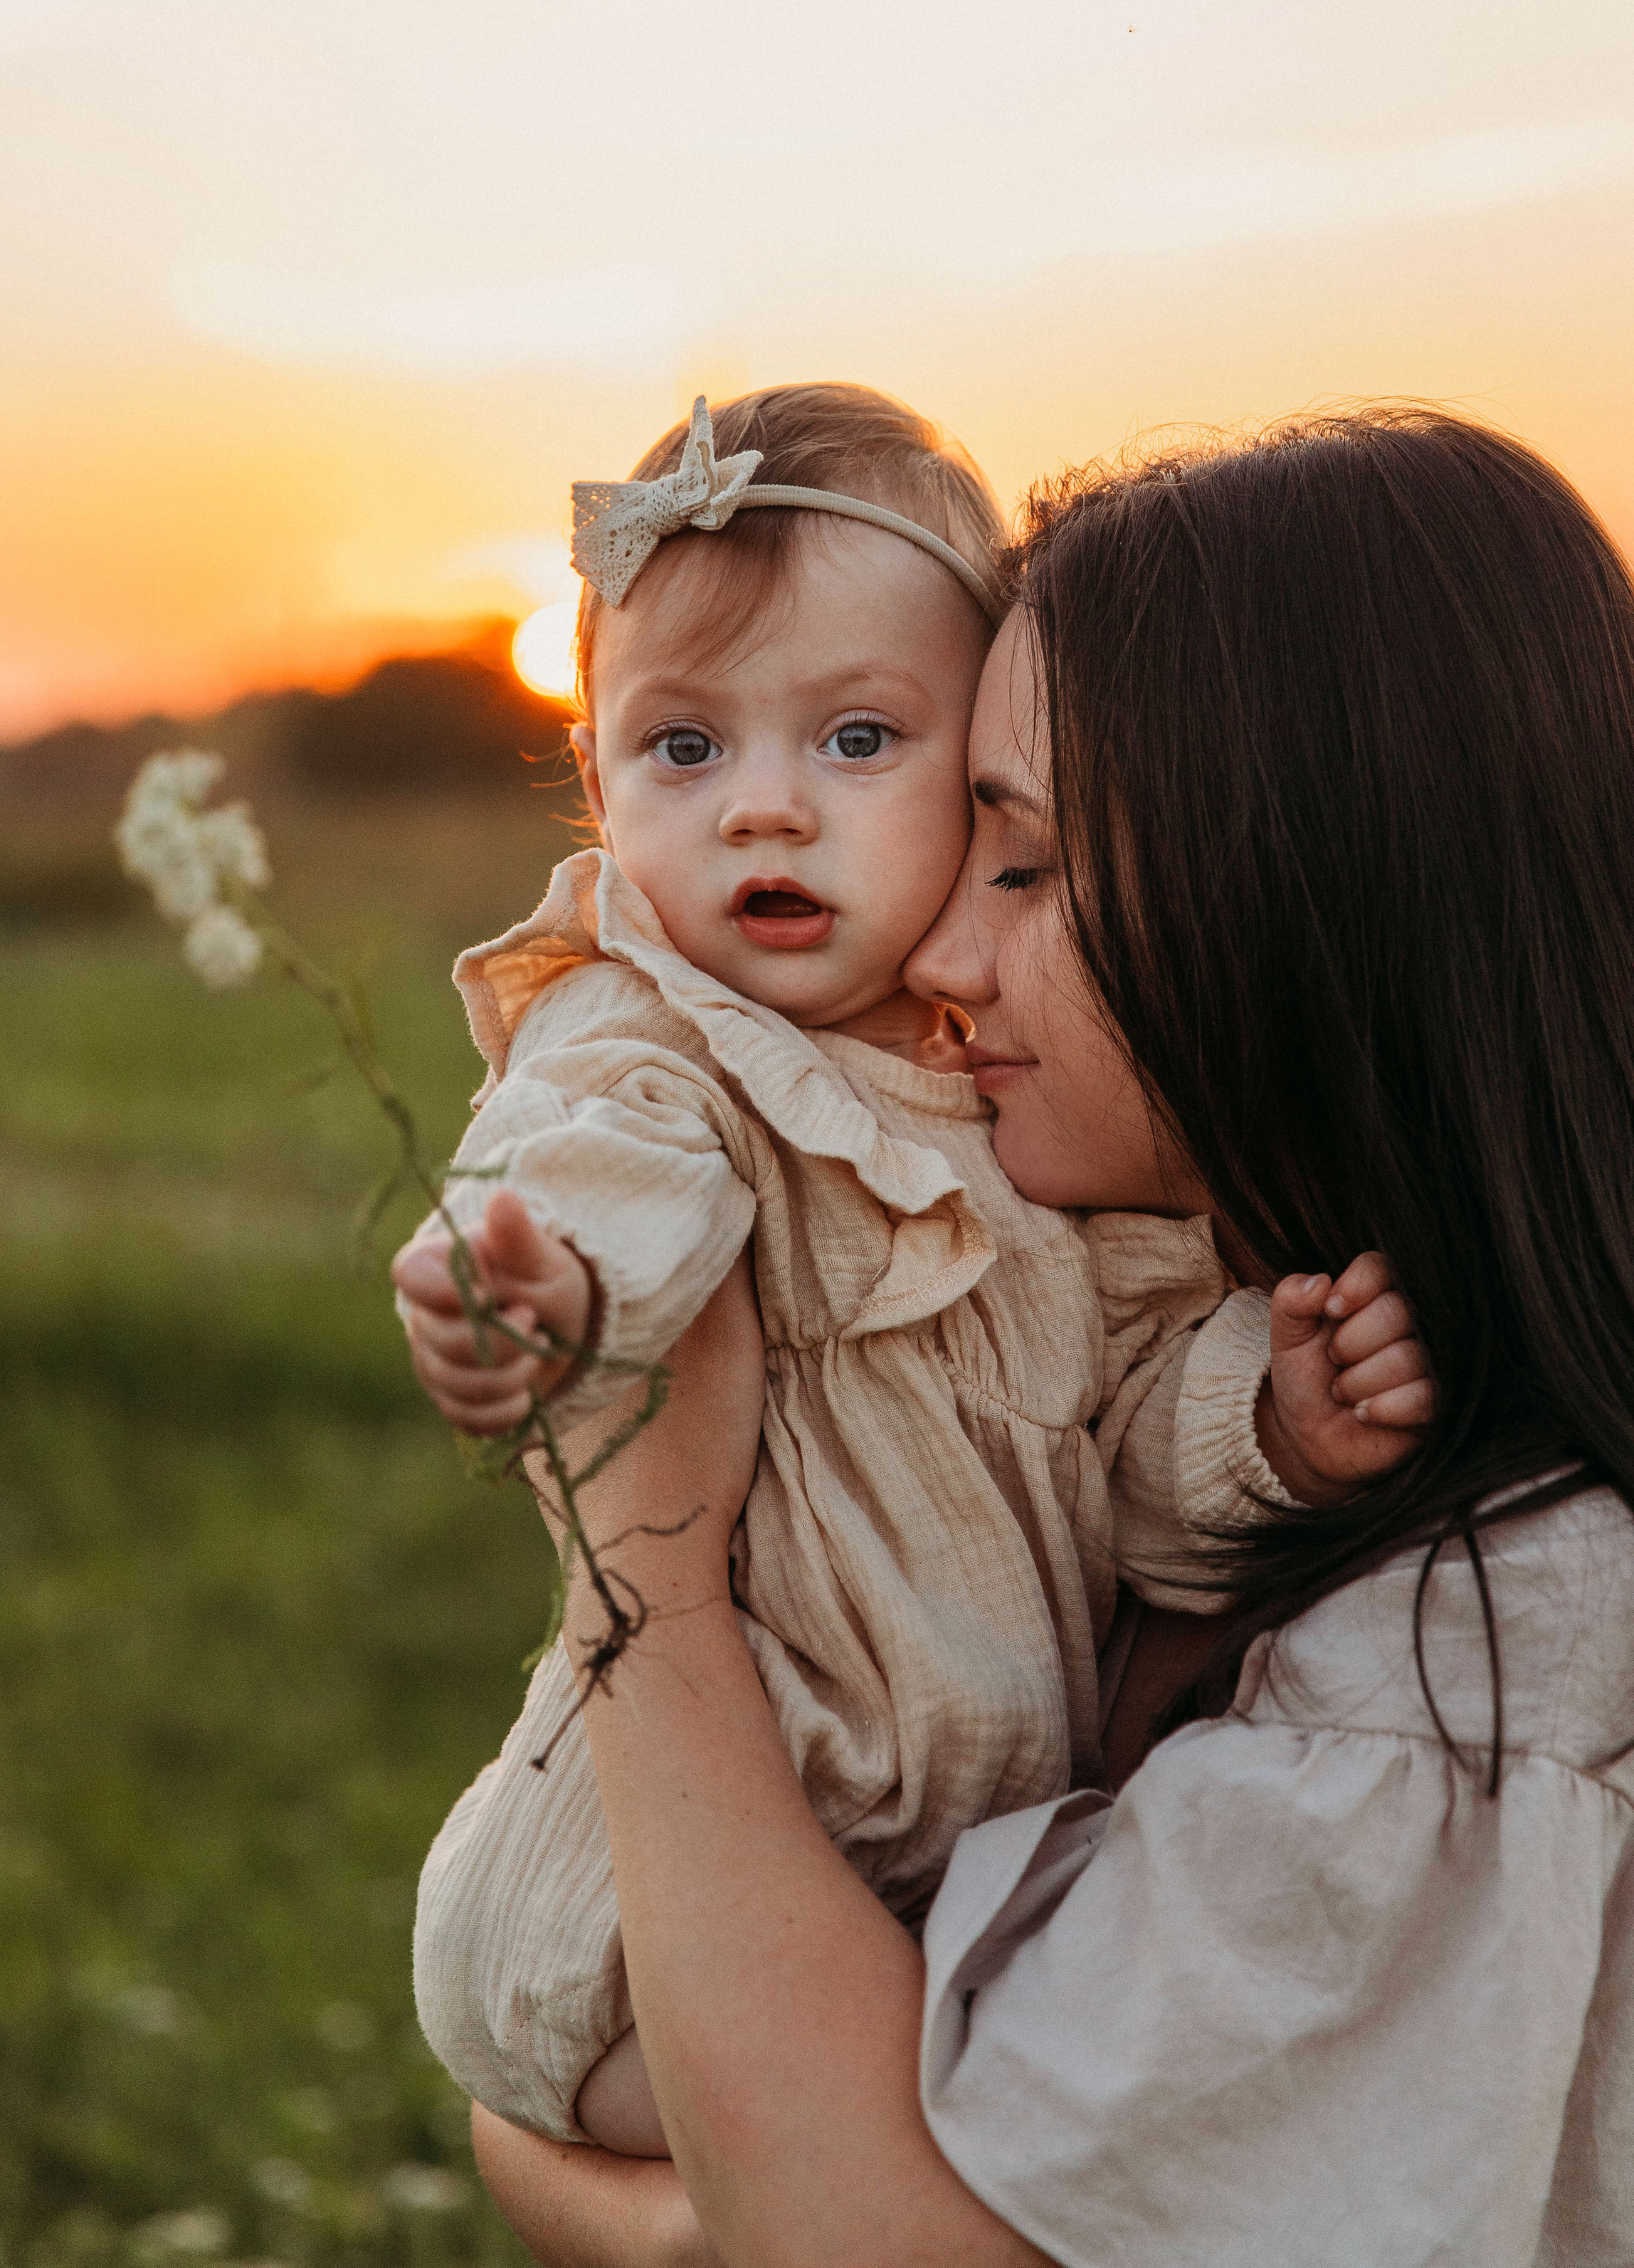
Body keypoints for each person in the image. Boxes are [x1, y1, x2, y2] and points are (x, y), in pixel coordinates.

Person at [460, 406, 1634, 2268]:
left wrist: (652, 1566)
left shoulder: (1515, 1673)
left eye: (1020, 863)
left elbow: (861, 2233)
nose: (938, 959)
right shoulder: (1256, 1438)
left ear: (1310, 899)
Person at [392, 385, 1430, 2158]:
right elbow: (579, 1163)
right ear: (594, 775)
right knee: (894, 2163)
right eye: (684, 748)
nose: (763, 816)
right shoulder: (652, 1028)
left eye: (856, 743)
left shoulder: (1009, 1116)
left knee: (964, 2139)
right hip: (632, 1919)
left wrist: (1267, 1414)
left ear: (974, 766)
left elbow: (1125, 1424)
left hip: (920, 1874)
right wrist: (550, 1294)